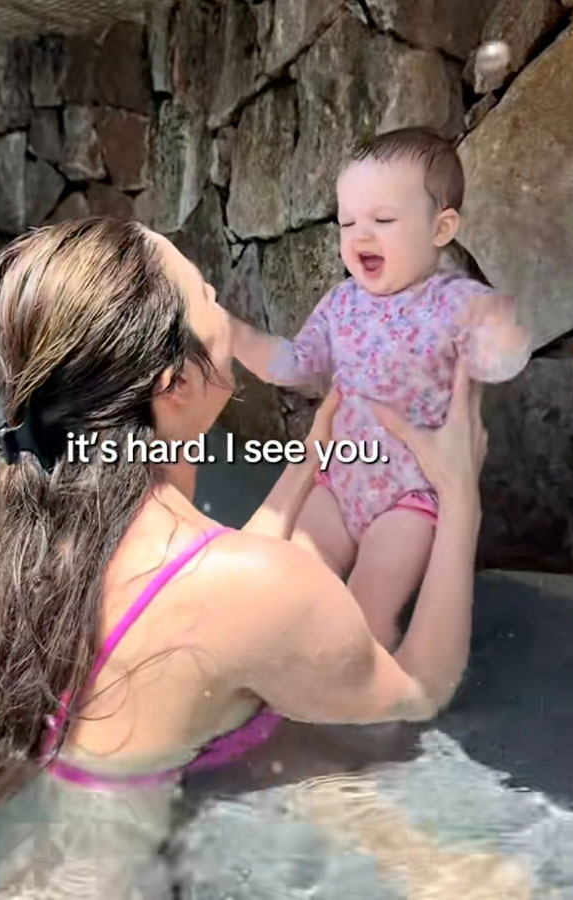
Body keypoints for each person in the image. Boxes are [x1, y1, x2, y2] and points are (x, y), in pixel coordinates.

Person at [0, 217, 486, 899]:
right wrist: (460, 493)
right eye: (207, 294)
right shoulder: (257, 589)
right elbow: (417, 692)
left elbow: (206, 588)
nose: (225, 309)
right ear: (174, 384)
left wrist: (312, 459)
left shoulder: (0, 512)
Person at [230, 126, 530, 650]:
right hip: (340, 481)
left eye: (383, 220)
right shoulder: (342, 303)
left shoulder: (456, 301)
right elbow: (295, 363)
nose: (360, 235)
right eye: (347, 222)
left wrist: (503, 338)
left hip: (411, 496)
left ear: (441, 228)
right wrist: (235, 335)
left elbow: (502, 357)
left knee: (368, 607)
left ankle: (373, 700)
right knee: (296, 580)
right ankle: (293, 669)